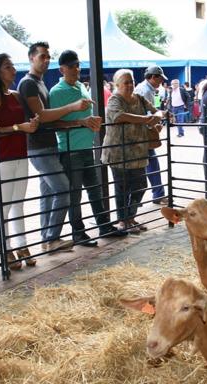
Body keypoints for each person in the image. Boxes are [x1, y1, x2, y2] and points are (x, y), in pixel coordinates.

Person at [17, 42, 93, 254]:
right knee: (63, 189)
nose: (46, 60)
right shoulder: (29, 84)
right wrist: (73, 107)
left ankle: (47, 238)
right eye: (42, 56)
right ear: (32, 58)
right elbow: (42, 116)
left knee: (49, 194)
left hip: (48, 144)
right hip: (39, 146)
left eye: (48, 56)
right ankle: (52, 238)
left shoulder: (39, 83)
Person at [49, 49, 128, 246]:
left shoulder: (80, 87)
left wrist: (91, 122)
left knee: (94, 190)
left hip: (86, 147)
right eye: (72, 66)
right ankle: (78, 232)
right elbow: (54, 123)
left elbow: (82, 118)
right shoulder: (57, 92)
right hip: (70, 149)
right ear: (62, 69)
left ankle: (103, 226)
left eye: (78, 65)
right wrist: (82, 122)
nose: (76, 68)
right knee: (75, 194)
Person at [0, 53, 39, 271]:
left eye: (13, 66)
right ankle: (6, 249)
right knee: (4, 206)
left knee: (18, 203)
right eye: (7, 67)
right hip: (1, 156)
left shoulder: (14, 95)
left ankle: (22, 245)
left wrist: (30, 125)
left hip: (19, 153)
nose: (13, 70)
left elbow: (21, 123)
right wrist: (19, 128)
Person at [102, 69, 163, 234]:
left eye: (132, 82)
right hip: (118, 152)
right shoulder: (115, 100)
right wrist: (144, 119)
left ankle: (130, 217)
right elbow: (118, 117)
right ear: (117, 85)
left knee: (141, 184)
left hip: (137, 150)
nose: (130, 85)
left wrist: (157, 117)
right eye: (126, 83)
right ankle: (123, 220)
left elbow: (157, 110)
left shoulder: (140, 99)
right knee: (122, 187)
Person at [133, 65, 168, 205]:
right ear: (153, 77)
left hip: (143, 130)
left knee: (148, 163)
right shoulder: (145, 91)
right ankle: (156, 194)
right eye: (160, 78)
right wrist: (154, 124)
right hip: (143, 132)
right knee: (149, 163)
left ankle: (156, 194)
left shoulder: (148, 89)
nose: (161, 81)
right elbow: (146, 114)